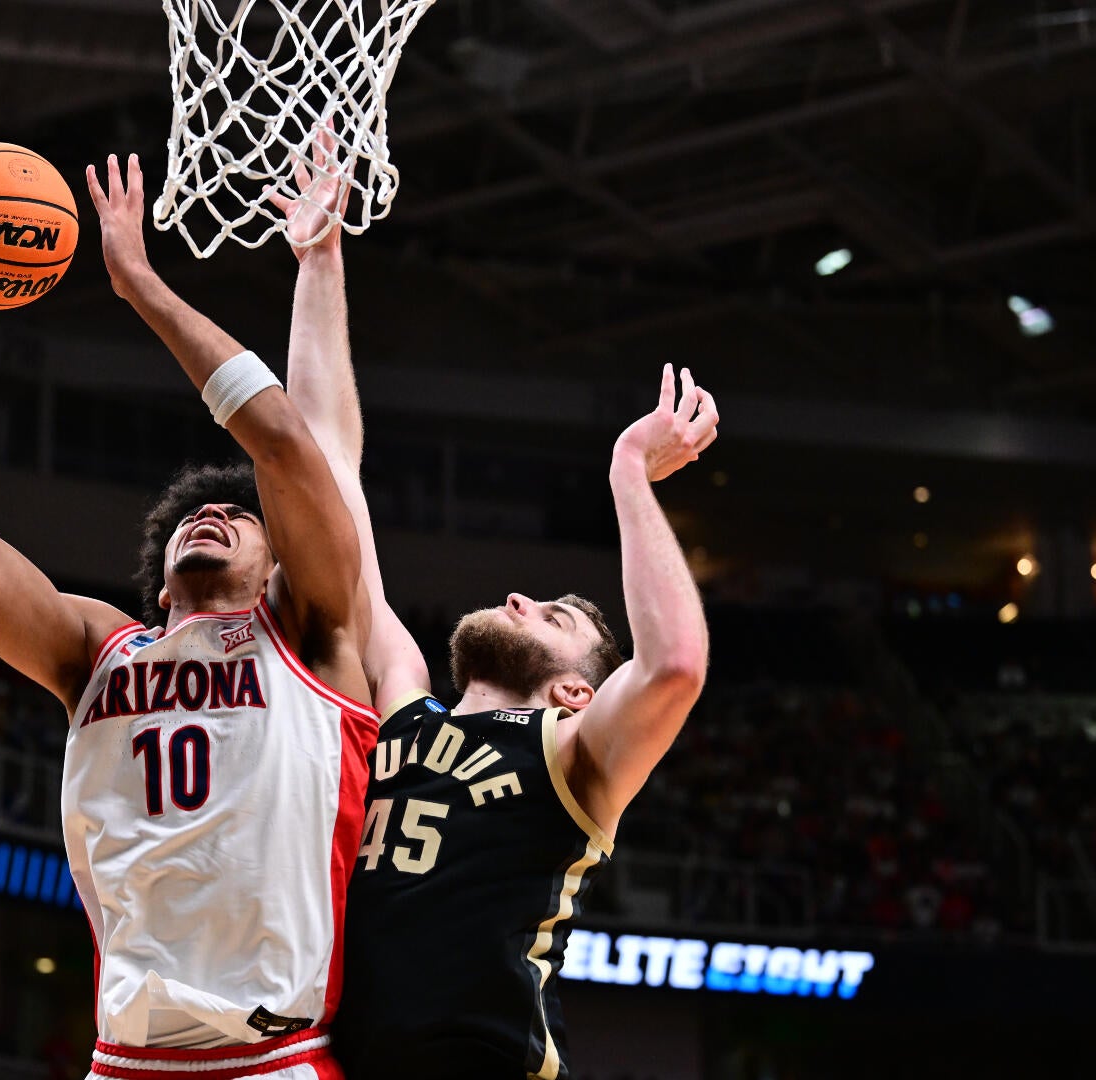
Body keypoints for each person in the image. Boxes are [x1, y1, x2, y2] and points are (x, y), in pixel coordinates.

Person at [0, 151, 374, 1079]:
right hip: (125, 1059)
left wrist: (140, 285)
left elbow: (281, 441)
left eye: (239, 516)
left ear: (279, 566)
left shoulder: (313, 632)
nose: (213, 515)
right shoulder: (97, 650)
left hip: (274, 1057)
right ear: (159, 585)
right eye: (194, 515)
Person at [266, 137, 714, 1079]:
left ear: (575, 692)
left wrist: (629, 472)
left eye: (553, 615)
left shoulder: (573, 756)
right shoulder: (400, 703)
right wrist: (319, 263)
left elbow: (674, 663)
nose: (519, 596)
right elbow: (328, 471)